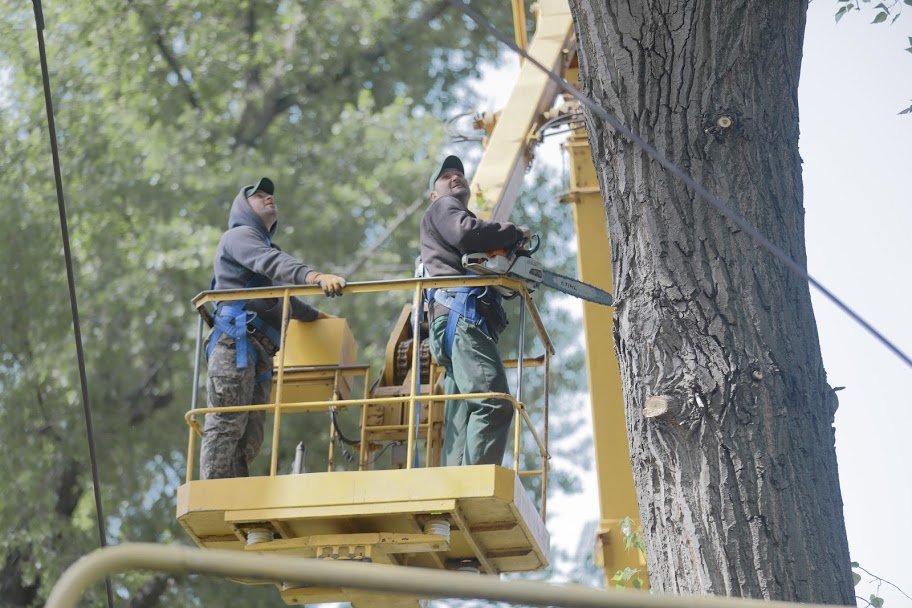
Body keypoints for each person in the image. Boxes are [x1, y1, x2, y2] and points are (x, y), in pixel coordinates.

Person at [200, 177, 346, 480]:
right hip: (235, 342)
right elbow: (272, 263)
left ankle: (234, 493)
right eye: (259, 196)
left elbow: (286, 301)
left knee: (249, 440)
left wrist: (319, 318)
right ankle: (212, 492)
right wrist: (314, 276)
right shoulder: (240, 236)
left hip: (261, 355)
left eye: (271, 195)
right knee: (227, 424)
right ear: (243, 207)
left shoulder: (263, 251)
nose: (269, 198)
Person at [420, 155, 531, 466]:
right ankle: (472, 490)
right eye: (447, 176)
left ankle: (452, 488)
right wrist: (512, 232)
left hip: (450, 323)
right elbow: (467, 233)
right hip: (462, 320)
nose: (456, 178)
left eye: (460, 174)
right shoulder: (444, 208)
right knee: (495, 404)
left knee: (464, 413)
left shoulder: (448, 222)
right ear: (434, 193)